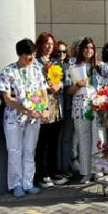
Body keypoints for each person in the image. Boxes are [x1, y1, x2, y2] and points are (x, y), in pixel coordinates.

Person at [0, 38, 48, 197]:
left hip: (34, 117)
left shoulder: (37, 68)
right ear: (20, 54)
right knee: (14, 150)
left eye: (33, 54)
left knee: (29, 150)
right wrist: (25, 110)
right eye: (28, 55)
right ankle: (16, 184)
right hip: (14, 117)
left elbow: (42, 91)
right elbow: (7, 97)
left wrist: (43, 109)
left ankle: (28, 182)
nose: (31, 58)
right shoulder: (8, 71)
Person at [34, 32, 69, 189]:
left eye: (50, 43)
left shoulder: (56, 61)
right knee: (43, 142)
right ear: (40, 45)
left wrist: (59, 85)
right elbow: (35, 84)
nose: (48, 46)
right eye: (45, 43)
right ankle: (42, 174)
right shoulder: (35, 63)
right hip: (44, 106)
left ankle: (54, 171)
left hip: (57, 105)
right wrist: (49, 86)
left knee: (54, 140)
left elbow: (65, 80)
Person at [65, 37, 101, 183]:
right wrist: (79, 84)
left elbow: (106, 87)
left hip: (97, 105)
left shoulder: (99, 67)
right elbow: (68, 90)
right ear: (81, 50)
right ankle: (85, 172)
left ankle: (98, 170)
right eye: (86, 48)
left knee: (98, 139)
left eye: (91, 48)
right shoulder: (73, 67)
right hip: (80, 106)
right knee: (83, 138)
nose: (89, 51)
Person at [52, 41, 76, 176]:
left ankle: (65, 167)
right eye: (58, 52)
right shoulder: (50, 66)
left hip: (68, 106)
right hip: (54, 106)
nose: (61, 54)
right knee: (56, 139)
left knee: (67, 138)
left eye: (63, 51)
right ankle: (56, 168)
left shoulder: (70, 65)